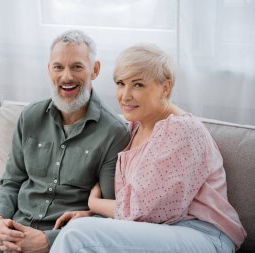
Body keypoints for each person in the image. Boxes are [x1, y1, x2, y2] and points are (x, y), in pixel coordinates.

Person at [0, 30, 130, 253]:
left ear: (95, 70)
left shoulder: (114, 133)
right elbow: (11, 180)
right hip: (12, 228)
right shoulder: (30, 117)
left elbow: (108, 212)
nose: (66, 76)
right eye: (58, 67)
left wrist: (48, 240)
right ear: (49, 70)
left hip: (64, 241)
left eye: (77, 67)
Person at [50, 44, 247, 253]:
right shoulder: (135, 127)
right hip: (160, 232)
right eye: (121, 83)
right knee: (78, 231)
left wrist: (94, 203)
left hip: (203, 235)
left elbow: (141, 210)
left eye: (138, 85)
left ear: (165, 87)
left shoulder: (181, 130)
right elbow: (137, 209)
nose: (125, 95)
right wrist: (94, 217)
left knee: (78, 234)